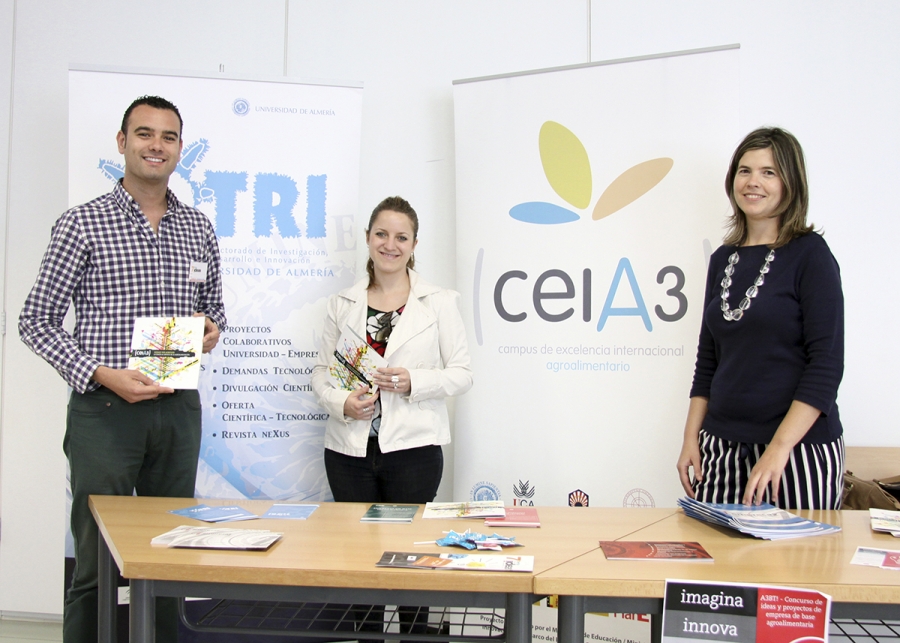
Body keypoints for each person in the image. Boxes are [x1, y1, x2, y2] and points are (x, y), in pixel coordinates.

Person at [19, 95, 225, 643]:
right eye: (144, 134)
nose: (156, 145)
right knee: (96, 562)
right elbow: (35, 321)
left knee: (169, 554)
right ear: (122, 143)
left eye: (168, 136)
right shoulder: (81, 224)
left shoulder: (198, 229)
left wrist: (210, 330)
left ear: (180, 148)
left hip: (178, 410)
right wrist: (100, 373)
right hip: (105, 411)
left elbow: (216, 308)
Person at [311, 195, 472, 636]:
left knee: (411, 563)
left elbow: (461, 373)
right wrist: (342, 403)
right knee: (360, 564)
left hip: (414, 451)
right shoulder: (341, 304)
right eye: (381, 234)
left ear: (415, 244)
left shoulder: (439, 302)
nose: (390, 244)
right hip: (349, 452)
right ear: (367, 238)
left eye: (401, 237)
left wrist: (414, 381)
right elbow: (321, 374)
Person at [676, 127, 844, 510]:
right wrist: (691, 437)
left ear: (790, 183)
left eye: (769, 172)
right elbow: (709, 359)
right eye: (745, 170)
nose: (753, 182)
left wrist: (778, 449)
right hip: (721, 447)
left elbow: (826, 365)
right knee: (718, 566)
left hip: (797, 452)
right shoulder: (723, 258)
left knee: (794, 569)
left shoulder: (811, 255)